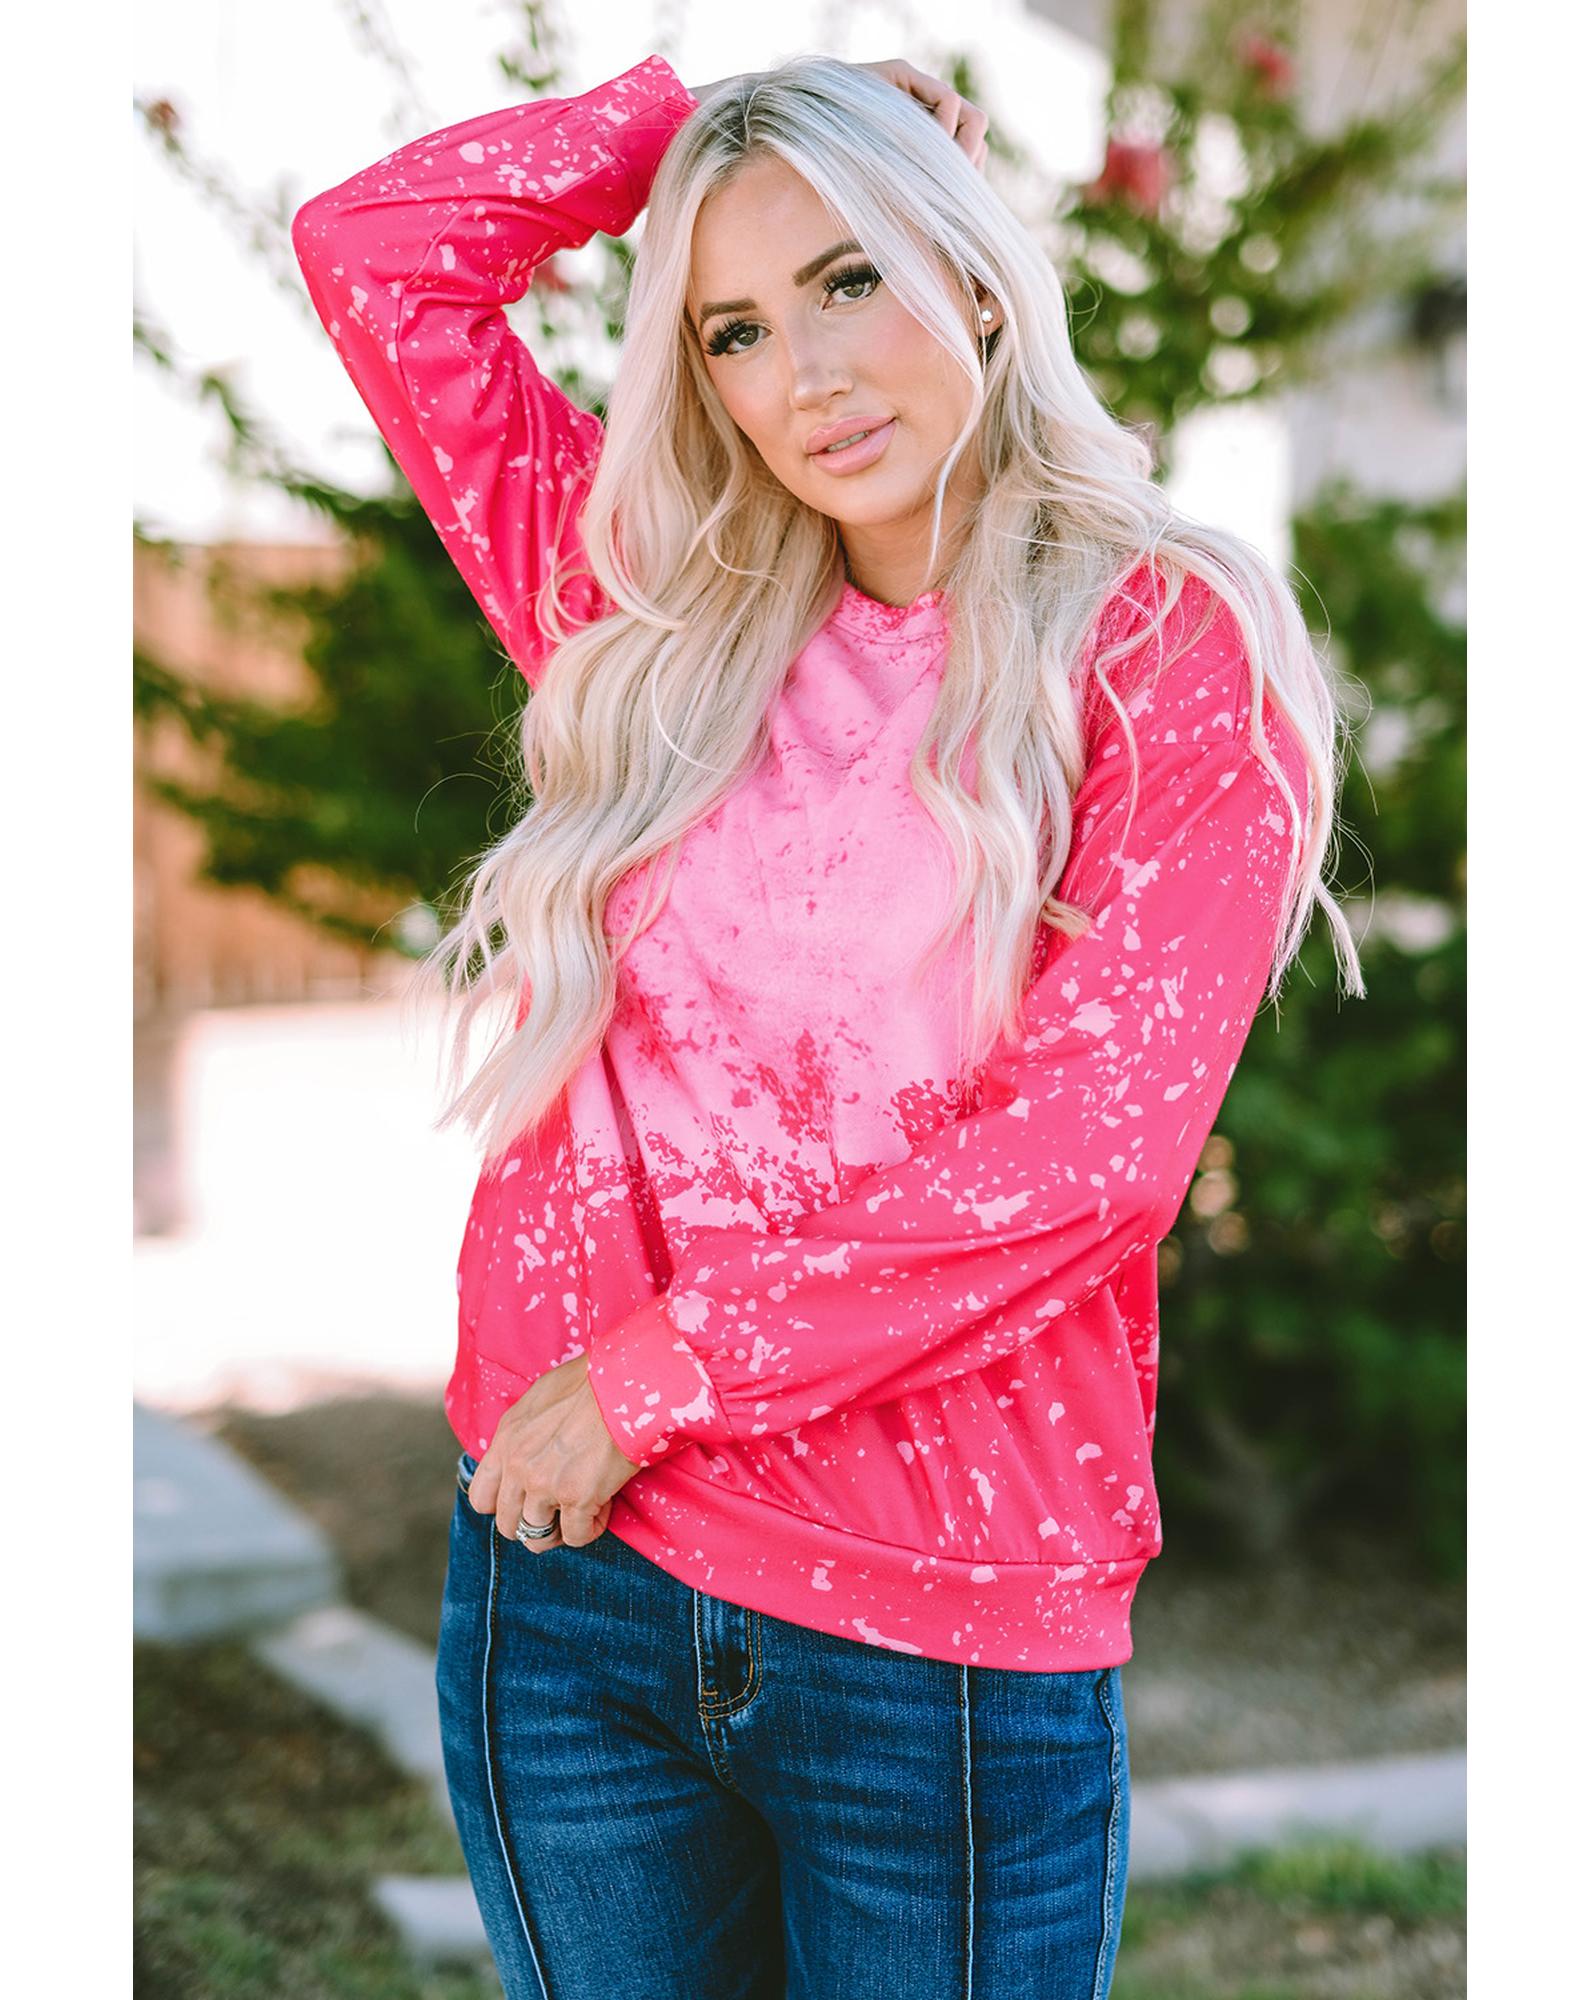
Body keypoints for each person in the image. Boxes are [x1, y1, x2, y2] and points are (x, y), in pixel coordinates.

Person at [291, 49, 1363, 2000]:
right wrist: (721, 119)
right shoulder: (650, 620)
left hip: (933, 1637)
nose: (806, 373)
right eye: (733, 328)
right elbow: (379, 253)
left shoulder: (1160, 643)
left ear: (975, 276)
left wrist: (653, 1375)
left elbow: (1085, 1162)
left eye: (851, 275)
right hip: (571, 1582)